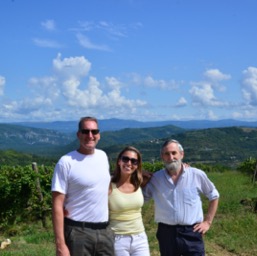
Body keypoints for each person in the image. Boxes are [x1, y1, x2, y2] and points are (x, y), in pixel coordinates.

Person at [143, 139, 219, 256]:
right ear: (162, 157)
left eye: (174, 153)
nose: (171, 157)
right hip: (166, 233)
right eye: (167, 154)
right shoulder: (156, 179)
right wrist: (140, 179)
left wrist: (207, 222)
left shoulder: (196, 174)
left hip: (192, 232)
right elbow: (141, 199)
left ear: (181, 154)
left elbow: (214, 195)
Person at [51, 116, 114, 256]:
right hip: (78, 233)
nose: (90, 135)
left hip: (105, 231)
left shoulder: (103, 157)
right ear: (78, 134)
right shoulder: (66, 162)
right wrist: (60, 245)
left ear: (99, 135)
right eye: (85, 131)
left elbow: (106, 188)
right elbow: (57, 204)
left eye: (94, 131)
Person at [109, 146, 150, 256]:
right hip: (117, 239)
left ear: (137, 165)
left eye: (133, 161)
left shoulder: (140, 181)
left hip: (140, 237)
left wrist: (183, 166)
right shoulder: (108, 185)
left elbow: (165, 174)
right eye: (125, 159)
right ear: (119, 161)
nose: (129, 163)